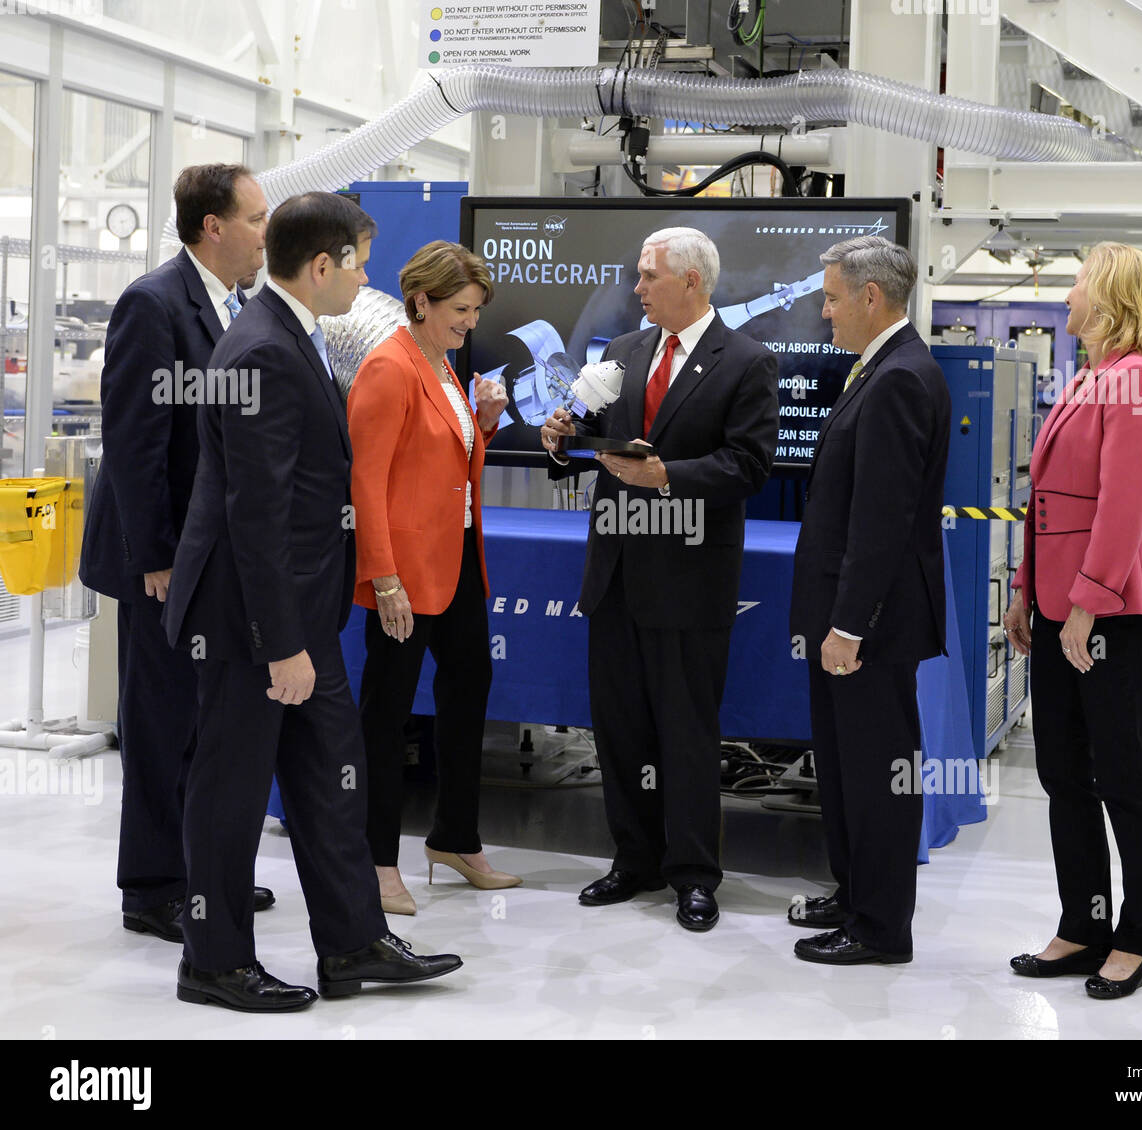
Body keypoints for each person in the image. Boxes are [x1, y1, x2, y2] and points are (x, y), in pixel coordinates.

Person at [161, 192, 461, 1011]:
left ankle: (354, 943)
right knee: (228, 793)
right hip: (250, 622)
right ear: (323, 265)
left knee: (335, 777)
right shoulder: (261, 351)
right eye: (360, 262)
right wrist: (279, 645)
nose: (366, 280)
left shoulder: (292, 334)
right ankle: (213, 960)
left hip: (297, 615)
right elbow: (253, 516)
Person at [541, 227, 779, 933]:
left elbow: (749, 467)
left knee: (685, 735)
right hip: (615, 574)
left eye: (649, 276)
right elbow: (592, 442)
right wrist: (562, 441)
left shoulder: (746, 360)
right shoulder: (622, 351)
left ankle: (693, 875)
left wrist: (666, 475)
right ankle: (632, 859)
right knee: (619, 733)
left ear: (693, 283)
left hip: (687, 581)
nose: (637, 288)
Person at [80, 164, 275, 943]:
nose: (267, 232)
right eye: (257, 218)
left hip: (204, 555)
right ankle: (154, 886)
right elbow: (134, 445)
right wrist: (157, 556)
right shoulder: (154, 304)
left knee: (203, 723)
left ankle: (203, 874)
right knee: (160, 722)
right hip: (160, 559)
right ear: (212, 227)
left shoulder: (234, 306)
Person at [1004, 241, 1142, 1000]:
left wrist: (1085, 605)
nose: (1067, 294)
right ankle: (1084, 924)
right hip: (1058, 604)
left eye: (1077, 281)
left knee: (1120, 774)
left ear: (1107, 295)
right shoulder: (1090, 379)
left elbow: (1122, 506)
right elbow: (1048, 503)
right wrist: (1024, 590)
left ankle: (1137, 941)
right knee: (1063, 772)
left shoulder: (1140, 384)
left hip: (1116, 608)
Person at [788, 235, 951, 966]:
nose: (824, 312)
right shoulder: (881, 367)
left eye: (830, 298)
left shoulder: (899, 378)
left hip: (873, 624)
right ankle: (854, 892)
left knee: (880, 771)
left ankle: (881, 926)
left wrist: (849, 624)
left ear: (870, 297)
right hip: (851, 616)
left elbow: (880, 522)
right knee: (847, 763)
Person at [347, 241, 514, 913]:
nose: (470, 322)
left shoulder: (440, 366)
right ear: (422, 301)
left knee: (469, 693)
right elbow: (369, 482)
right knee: (386, 717)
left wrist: (489, 425)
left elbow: (443, 462)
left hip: (460, 564)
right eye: (461, 309)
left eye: (475, 311)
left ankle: (455, 838)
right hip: (408, 576)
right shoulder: (389, 367)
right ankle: (376, 857)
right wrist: (384, 580)